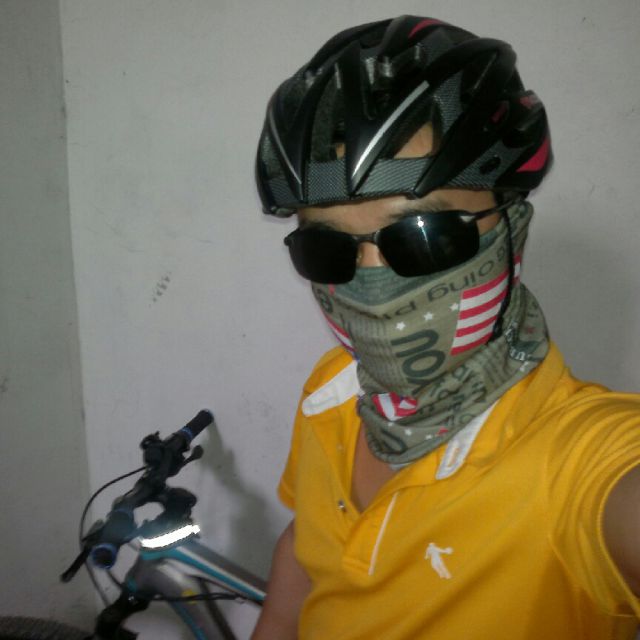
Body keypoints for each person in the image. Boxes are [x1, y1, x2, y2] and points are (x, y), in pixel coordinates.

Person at [251, 15, 640, 639]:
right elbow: (305, 548)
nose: (371, 283)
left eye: (423, 235)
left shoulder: (579, 461)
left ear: (512, 229)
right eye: (327, 248)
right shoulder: (333, 389)